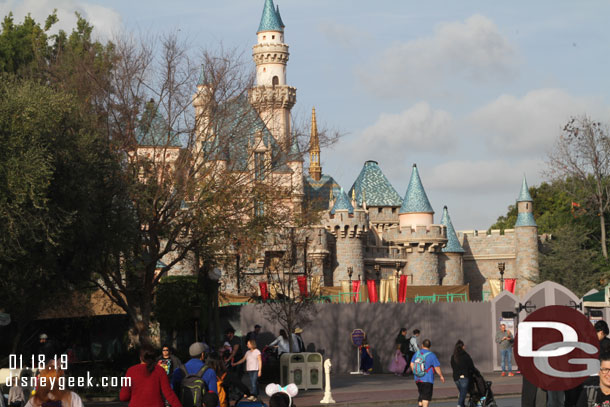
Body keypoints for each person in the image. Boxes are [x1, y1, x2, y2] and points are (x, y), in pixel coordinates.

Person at [171, 342, 218, 407]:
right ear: (202, 355)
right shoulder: (209, 372)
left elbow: (172, 394)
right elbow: (214, 399)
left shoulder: (178, 371)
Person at [410, 339, 445, 407]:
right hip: (427, 379)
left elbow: (411, 364)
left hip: (417, 379)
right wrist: (441, 376)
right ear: (430, 346)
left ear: (422, 345)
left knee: (421, 394)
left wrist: (416, 372)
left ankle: (420, 405)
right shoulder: (432, 355)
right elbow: (437, 367)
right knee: (426, 397)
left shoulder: (417, 353)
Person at [450, 340, 474, 407]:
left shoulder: (453, 356)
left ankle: (462, 404)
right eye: (464, 346)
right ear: (462, 347)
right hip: (464, 377)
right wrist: (475, 372)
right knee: (463, 393)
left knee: (461, 393)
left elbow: (452, 366)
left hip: (456, 378)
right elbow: (471, 366)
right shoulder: (465, 356)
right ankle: (459, 405)